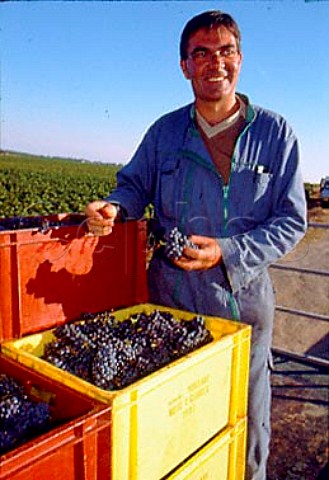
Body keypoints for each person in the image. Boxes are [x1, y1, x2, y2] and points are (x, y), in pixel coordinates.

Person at [85, 10, 307, 480]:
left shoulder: (275, 134)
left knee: (244, 428)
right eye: (201, 53)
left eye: (225, 51)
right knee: (177, 431)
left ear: (240, 60)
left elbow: (291, 221)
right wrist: (115, 209)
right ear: (184, 65)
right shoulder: (165, 133)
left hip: (243, 311)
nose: (215, 63)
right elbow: (132, 186)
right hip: (170, 306)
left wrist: (227, 252)